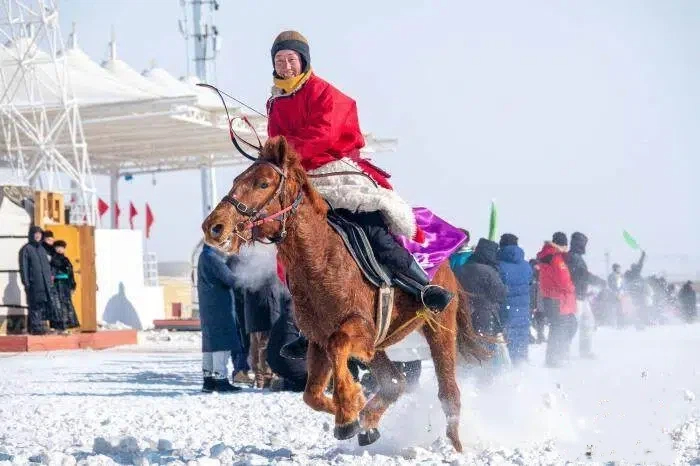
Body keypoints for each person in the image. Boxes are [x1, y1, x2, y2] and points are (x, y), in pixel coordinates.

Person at [266, 30, 453, 319]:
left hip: (336, 172)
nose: (286, 66)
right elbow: (275, 141)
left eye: (291, 59)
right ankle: (306, 317)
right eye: (280, 61)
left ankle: (423, 288)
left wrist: (285, 151)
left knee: (371, 229)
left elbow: (323, 136)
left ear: (303, 60)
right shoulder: (275, 103)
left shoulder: (326, 93)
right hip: (301, 177)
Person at [454, 238, 509, 374]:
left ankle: (465, 376)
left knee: (466, 347)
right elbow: (500, 294)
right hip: (485, 315)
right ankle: (484, 378)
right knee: (485, 348)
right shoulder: (488, 271)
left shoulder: (460, 269)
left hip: (463, 314)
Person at [197, 244, 242, 393]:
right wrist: (235, 264)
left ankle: (208, 380)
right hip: (220, 306)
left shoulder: (204, 256)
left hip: (209, 306)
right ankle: (221, 379)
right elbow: (230, 279)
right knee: (222, 342)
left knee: (210, 344)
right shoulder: (213, 258)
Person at [537, 232, 576, 368]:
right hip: (558, 299)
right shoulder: (556, 258)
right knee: (560, 328)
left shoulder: (548, 255)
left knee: (558, 327)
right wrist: (572, 288)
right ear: (562, 245)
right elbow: (564, 281)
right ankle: (555, 358)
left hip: (551, 298)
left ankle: (555, 357)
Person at [565, 232, 605, 359]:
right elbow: (583, 275)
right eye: (583, 243)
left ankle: (584, 351)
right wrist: (598, 281)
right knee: (573, 324)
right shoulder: (573, 257)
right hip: (575, 296)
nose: (585, 246)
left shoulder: (576, 257)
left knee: (588, 322)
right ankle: (564, 351)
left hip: (581, 296)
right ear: (579, 243)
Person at [497, 234, 533, 365]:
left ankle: (506, 372)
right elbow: (530, 283)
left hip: (505, 310)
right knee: (521, 340)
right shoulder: (526, 266)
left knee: (504, 344)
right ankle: (521, 368)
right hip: (523, 310)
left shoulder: (498, 265)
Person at [243, 273, 283, 389]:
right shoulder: (266, 268)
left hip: (253, 310)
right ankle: (266, 378)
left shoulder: (248, 268)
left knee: (256, 346)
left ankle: (260, 378)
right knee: (265, 346)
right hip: (266, 307)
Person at [18, 226, 53, 335]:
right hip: (33, 282)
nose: (38, 235)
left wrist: (49, 279)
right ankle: (36, 327)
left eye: (39, 233)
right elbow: (24, 266)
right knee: (34, 304)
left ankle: (39, 325)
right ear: (31, 235)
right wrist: (26, 282)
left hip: (44, 282)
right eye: (35, 233)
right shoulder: (26, 249)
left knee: (42, 304)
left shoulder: (42, 249)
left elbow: (47, 266)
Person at [49, 240, 80, 332]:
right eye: (58, 247)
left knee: (67, 303)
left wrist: (73, 284)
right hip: (57, 284)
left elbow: (70, 273)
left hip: (65, 284)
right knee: (58, 304)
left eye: (62, 248)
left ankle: (68, 324)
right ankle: (59, 325)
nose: (60, 249)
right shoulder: (52, 260)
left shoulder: (66, 260)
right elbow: (51, 272)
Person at [529, 259, 546, 344]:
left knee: (539, 319)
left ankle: (540, 335)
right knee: (536, 319)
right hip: (534, 301)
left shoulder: (539, 274)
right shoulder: (533, 275)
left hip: (537, 301)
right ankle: (537, 336)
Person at [607, 263, 625, 328]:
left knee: (620, 309)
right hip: (614, 295)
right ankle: (615, 323)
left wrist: (622, 291)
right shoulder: (612, 276)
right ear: (615, 268)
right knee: (615, 309)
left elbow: (623, 285)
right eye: (618, 268)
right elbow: (611, 285)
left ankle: (620, 323)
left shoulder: (621, 275)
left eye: (619, 268)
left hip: (620, 294)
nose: (619, 269)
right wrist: (616, 292)